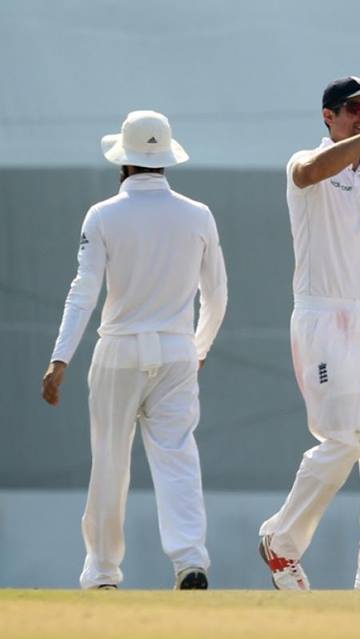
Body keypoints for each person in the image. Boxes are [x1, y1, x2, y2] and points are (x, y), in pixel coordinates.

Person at [41, 110, 228, 590]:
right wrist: (199, 348)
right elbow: (217, 295)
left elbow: (84, 290)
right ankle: (190, 561)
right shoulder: (198, 214)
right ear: (165, 157)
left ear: (124, 161)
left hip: (119, 349)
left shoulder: (103, 215)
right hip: (177, 350)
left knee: (109, 460)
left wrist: (60, 357)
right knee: (178, 457)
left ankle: (103, 571)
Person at [258, 78, 360, 591]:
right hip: (324, 316)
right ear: (328, 115)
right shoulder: (306, 162)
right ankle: (281, 540)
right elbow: (310, 172)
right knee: (343, 440)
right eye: (353, 109)